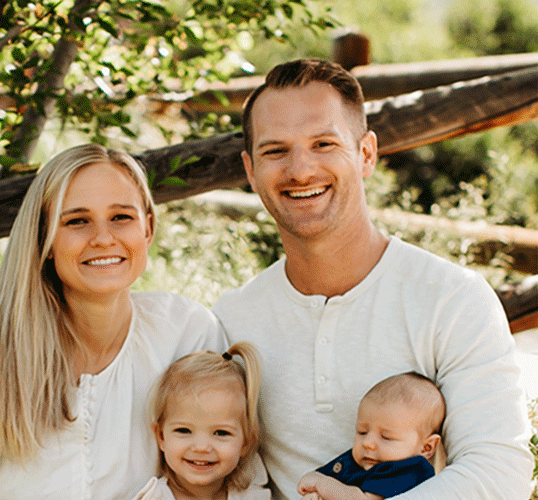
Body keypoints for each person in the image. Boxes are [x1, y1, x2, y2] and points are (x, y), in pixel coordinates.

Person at [211, 58, 533, 500]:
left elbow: (499, 473)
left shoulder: (453, 299)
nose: (300, 169)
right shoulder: (232, 319)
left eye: (324, 144)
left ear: (365, 154)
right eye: (275, 150)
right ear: (250, 171)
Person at [0, 143, 225, 500]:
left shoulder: (186, 335)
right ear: (45, 239)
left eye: (121, 217)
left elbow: (229, 482)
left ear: (148, 228)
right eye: (77, 221)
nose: (102, 238)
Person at [134, 342, 270, 500]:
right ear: (161, 436)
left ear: (246, 442)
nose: (201, 447)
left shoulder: (252, 496)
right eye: (184, 430)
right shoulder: (155, 497)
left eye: (221, 433)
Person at [297, 372, 445, 500]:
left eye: (386, 437)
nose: (367, 443)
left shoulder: (411, 470)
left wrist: (321, 484)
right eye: (362, 432)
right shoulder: (357, 462)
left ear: (426, 448)